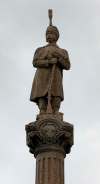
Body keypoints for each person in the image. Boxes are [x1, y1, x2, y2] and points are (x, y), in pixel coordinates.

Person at [30, 19, 70, 114]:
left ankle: (56, 111)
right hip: (42, 76)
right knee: (41, 95)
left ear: (56, 36)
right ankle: (42, 111)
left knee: (56, 94)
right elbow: (35, 62)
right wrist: (48, 61)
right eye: (47, 33)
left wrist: (59, 58)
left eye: (51, 33)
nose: (49, 35)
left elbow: (67, 65)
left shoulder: (63, 51)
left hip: (56, 77)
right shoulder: (40, 50)